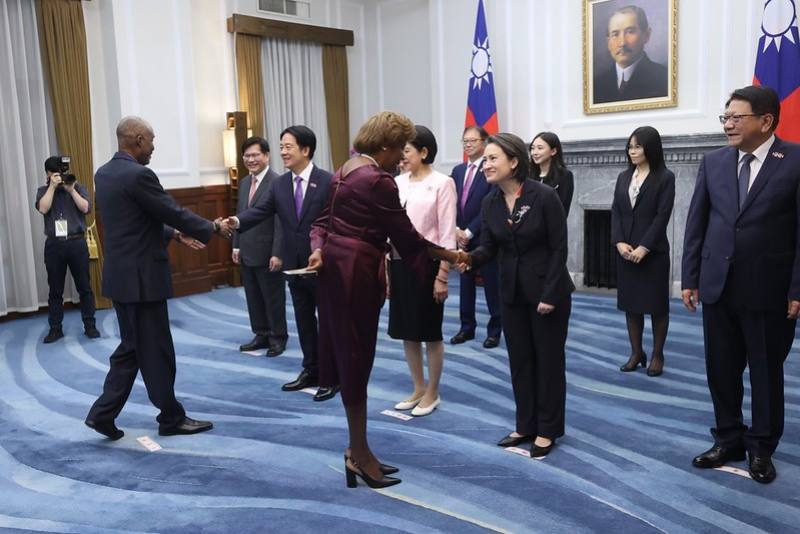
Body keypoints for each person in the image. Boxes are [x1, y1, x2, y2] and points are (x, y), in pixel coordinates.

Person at [307, 111, 462, 488]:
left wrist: (317, 249)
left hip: (335, 271)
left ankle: (359, 450)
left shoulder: (345, 169)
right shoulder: (378, 179)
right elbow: (407, 238)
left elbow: (320, 224)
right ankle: (358, 454)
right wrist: (449, 257)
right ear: (386, 146)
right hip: (356, 274)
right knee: (357, 360)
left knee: (350, 359)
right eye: (400, 150)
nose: (400, 159)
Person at [85, 116, 233, 441]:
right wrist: (213, 228)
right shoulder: (140, 175)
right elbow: (170, 210)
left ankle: (105, 414)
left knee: (133, 348)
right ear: (138, 140)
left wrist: (176, 236)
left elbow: (134, 220)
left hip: (121, 278)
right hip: (142, 281)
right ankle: (169, 418)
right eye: (151, 141)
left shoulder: (105, 173)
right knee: (157, 351)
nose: (153, 147)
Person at [682, 85, 800, 484]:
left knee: (766, 372)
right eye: (725, 117)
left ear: (765, 121)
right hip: (717, 284)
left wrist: (797, 288)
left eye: (737, 117)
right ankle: (728, 438)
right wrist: (690, 276)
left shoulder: (794, 160)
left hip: (769, 288)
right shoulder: (714, 161)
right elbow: (697, 221)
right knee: (721, 368)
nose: (728, 124)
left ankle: (762, 448)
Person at [457, 133, 573, 458]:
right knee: (520, 361)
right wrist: (468, 260)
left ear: (514, 161)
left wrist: (550, 293)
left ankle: (548, 429)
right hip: (510, 293)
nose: (486, 165)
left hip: (548, 293)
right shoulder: (490, 202)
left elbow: (558, 248)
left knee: (547, 362)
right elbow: (490, 248)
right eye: (485, 160)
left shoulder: (544, 196)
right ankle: (526, 424)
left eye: (493, 158)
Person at [229, 126, 338, 402]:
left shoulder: (327, 181)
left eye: (288, 146)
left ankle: (332, 375)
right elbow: (261, 211)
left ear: (306, 150)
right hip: (295, 265)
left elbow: (334, 224)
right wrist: (237, 222)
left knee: (327, 321)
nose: (283, 152)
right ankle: (310, 370)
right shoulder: (279, 184)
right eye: (281, 146)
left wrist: (323, 250)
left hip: (322, 264)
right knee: (303, 320)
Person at [390, 125, 457, 417]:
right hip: (398, 262)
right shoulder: (397, 182)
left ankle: (433, 391)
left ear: (424, 152)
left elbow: (447, 235)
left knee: (429, 330)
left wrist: (443, 275)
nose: (401, 157)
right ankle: (418, 386)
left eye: (406, 151)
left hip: (428, 265)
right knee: (408, 330)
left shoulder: (443, 183)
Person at [611, 126, 675, 377]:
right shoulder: (623, 177)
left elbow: (662, 217)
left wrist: (644, 247)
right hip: (625, 251)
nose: (632, 151)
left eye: (637, 146)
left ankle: (657, 354)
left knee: (657, 307)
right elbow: (616, 210)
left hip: (653, 253)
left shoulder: (665, 177)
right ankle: (636, 352)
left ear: (651, 148)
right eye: (630, 146)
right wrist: (618, 242)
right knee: (631, 306)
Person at [35, 156, 100, 343]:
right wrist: (53, 187)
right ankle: (55, 328)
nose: (60, 176)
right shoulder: (43, 191)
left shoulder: (78, 188)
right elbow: (43, 208)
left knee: (84, 288)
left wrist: (71, 190)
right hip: (55, 245)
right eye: (56, 173)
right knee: (55, 290)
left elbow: (86, 208)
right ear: (48, 174)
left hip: (76, 243)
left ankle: (90, 325)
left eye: (62, 172)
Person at [232, 137, 286, 357]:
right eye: (247, 156)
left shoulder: (278, 182)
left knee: (273, 297)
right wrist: (236, 245)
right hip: (247, 249)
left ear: (266, 156)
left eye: (255, 155)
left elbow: (281, 221)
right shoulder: (245, 182)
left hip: (268, 251)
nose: (251, 159)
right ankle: (261, 334)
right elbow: (240, 215)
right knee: (253, 296)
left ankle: (277, 337)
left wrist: (277, 252)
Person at [450, 125, 502, 349]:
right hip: (461, 237)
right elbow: (450, 202)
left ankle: (494, 331)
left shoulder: (491, 169)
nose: (468, 145)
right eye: (465, 141)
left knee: (492, 284)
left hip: (484, 237)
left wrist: (469, 232)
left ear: (484, 142)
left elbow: (489, 206)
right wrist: (455, 230)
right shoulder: (458, 170)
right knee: (465, 284)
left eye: (472, 141)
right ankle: (466, 328)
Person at [593, 5, 668, 104]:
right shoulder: (597, 84)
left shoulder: (663, 78)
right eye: (615, 34)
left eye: (630, 32)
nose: (622, 43)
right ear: (608, 41)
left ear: (646, 35)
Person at [529, 132, 574, 217]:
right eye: (532, 148)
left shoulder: (564, 175)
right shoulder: (528, 175)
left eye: (540, 148)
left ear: (553, 151)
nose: (534, 152)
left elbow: (562, 210)